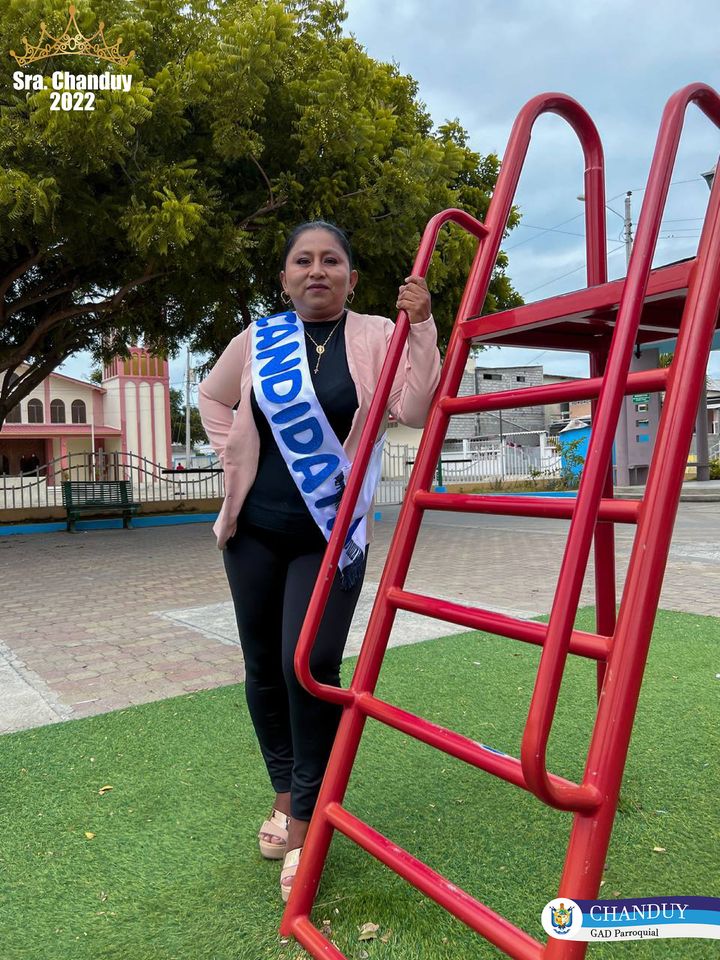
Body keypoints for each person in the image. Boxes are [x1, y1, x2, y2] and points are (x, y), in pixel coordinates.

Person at [198, 220, 441, 902]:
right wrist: (232, 452)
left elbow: (415, 409)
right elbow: (213, 397)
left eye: (330, 260)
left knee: (306, 665)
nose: (316, 270)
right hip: (252, 533)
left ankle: (308, 818)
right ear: (284, 278)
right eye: (302, 260)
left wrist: (422, 326)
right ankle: (285, 793)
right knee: (262, 668)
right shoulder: (259, 339)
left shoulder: (378, 334)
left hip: (331, 534)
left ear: (351, 278)